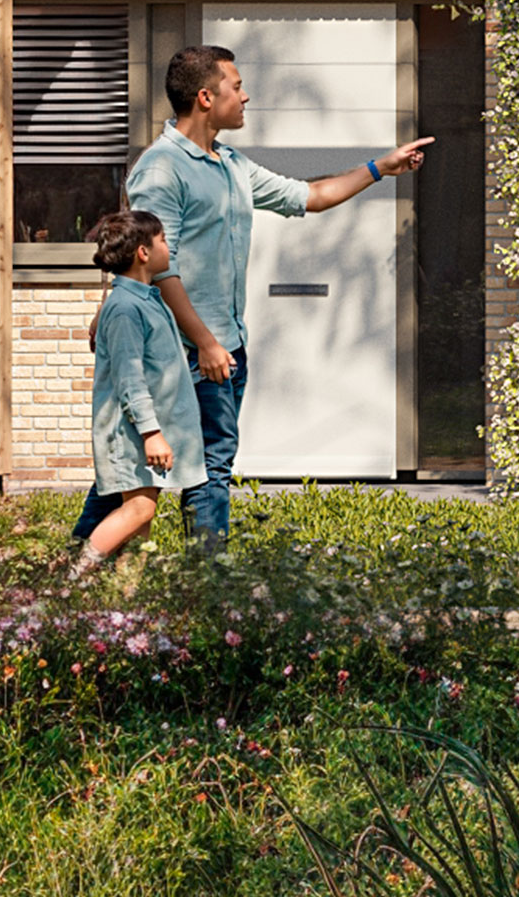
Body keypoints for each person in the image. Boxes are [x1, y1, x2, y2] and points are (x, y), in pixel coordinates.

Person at [76, 44, 432, 550]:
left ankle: (108, 582)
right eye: (236, 87)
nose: (246, 96)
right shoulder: (162, 170)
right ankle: (199, 588)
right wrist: (204, 342)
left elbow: (308, 197)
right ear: (205, 97)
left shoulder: (230, 164)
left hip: (223, 343)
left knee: (195, 470)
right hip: (180, 351)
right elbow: (157, 265)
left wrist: (381, 167)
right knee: (155, 477)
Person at [67, 209, 205, 583]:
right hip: (130, 435)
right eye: (162, 240)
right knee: (139, 512)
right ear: (143, 253)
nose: (168, 246)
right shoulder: (127, 308)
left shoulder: (145, 299)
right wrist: (151, 433)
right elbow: (129, 378)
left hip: (143, 433)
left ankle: (127, 607)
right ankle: (69, 581)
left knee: (141, 520)